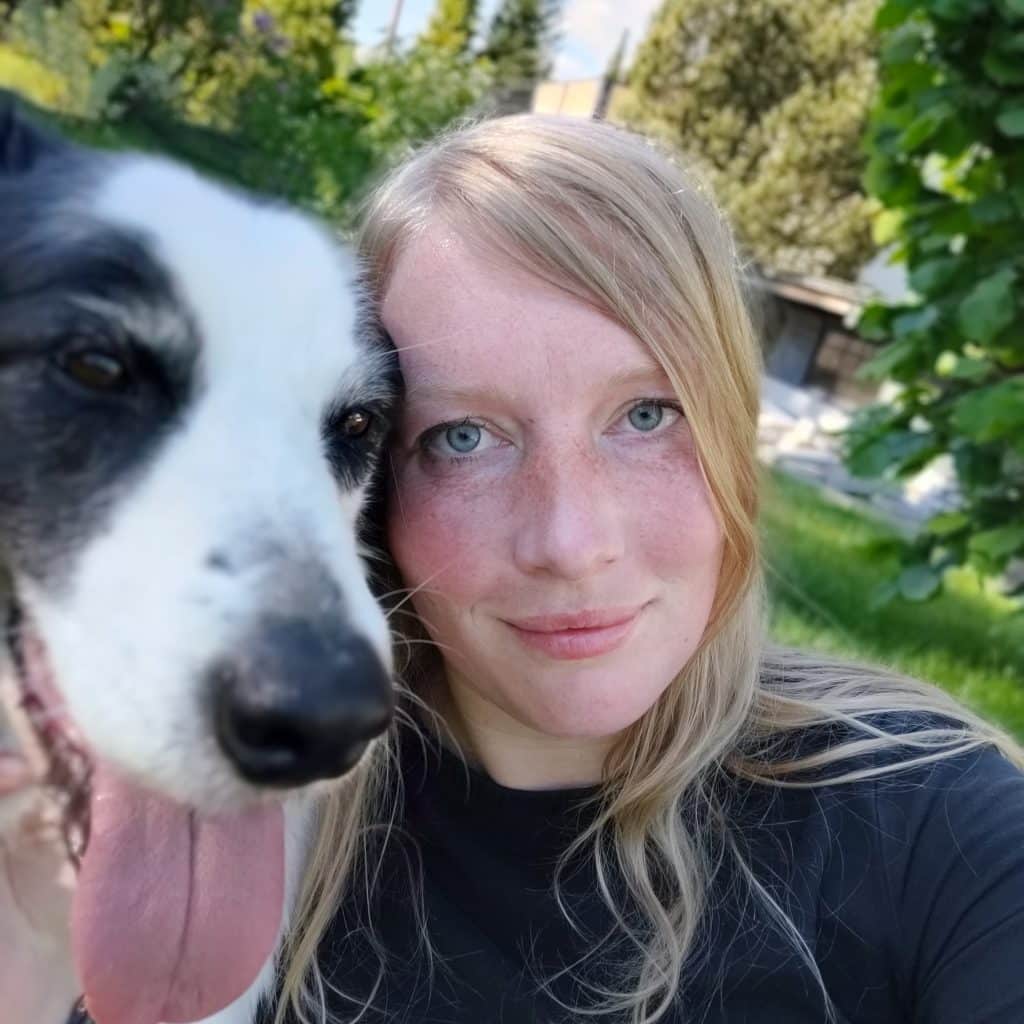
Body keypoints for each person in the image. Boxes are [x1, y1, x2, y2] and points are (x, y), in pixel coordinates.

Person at [259, 115, 1024, 1024]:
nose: (573, 542)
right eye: (463, 438)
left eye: (648, 415)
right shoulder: (248, 822)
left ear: (733, 429)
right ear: (377, 483)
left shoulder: (937, 827)